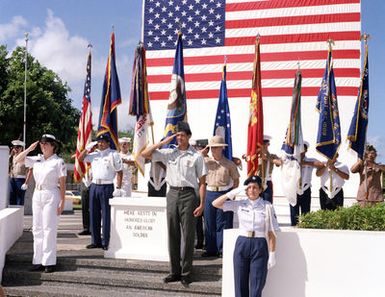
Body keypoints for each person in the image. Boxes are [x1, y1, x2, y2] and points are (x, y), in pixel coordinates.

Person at [141, 121, 207, 287]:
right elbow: (145, 154)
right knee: (173, 233)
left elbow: (202, 182)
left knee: (189, 235)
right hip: (172, 194)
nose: (179, 138)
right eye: (177, 135)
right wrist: (163, 142)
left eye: (182, 135)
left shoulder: (196, 156)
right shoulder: (169, 153)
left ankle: (186, 272)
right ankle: (174, 271)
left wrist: (202, 204)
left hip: (189, 195)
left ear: (188, 136)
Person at [212, 175, 279, 297]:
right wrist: (232, 193)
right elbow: (215, 203)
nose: (252, 190)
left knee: (257, 284)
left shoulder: (267, 206)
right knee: (240, 283)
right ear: (245, 190)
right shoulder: (239, 204)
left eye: (255, 187)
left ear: (260, 190)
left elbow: (271, 233)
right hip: (242, 243)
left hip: (259, 244)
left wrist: (272, 254)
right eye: (249, 187)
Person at [14, 134, 66, 273]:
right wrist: (30, 148)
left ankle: (49, 262)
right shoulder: (36, 159)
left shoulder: (58, 162)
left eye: (46, 144)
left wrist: (62, 201)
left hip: (51, 193)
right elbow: (18, 160)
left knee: (49, 228)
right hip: (38, 194)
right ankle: (37, 261)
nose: (43, 146)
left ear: (53, 146)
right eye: (42, 143)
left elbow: (62, 182)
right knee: (37, 228)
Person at [78, 133, 123, 250]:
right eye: (99, 141)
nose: (100, 143)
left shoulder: (114, 154)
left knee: (106, 216)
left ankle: (105, 241)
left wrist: (118, 187)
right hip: (94, 186)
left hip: (107, 186)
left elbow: (119, 171)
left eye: (103, 142)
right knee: (93, 214)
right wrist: (87, 148)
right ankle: (95, 241)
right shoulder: (93, 154)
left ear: (108, 143)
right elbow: (80, 158)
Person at [202, 135, 240, 258]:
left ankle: (223, 248)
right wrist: (203, 152)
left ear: (222, 148)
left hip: (223, 193)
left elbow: (236, 181)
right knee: (209, 221)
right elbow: (194, 158)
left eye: (216, 147)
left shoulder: (229, 164)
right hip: (209, 192)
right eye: (212, 147)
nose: (214, 150)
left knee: (223, 222)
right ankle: (210, 249)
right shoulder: (205, 162)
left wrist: (231, 195)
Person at [290, 142, 324, 226]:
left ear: (306, 150)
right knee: (294, 215)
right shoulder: (291, 160)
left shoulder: (310, 160)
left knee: (306, 214)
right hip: (294, 189)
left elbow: (321, 165)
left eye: (303, 149)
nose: (301, 151)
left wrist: (305, 163)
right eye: (299, 149)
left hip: (305, 189)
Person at [257, 135, 282, 204]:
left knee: (268, 204)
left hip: (267, 182)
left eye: (265, 144)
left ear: (268, 144)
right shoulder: (256, 156)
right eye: (262, 144)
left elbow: (279, 162)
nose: (264, 146)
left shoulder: (272, 156)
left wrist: (267, 159)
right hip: (257, 182)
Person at [9, 140, 28, 205]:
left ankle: (19, 214)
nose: (15, 149)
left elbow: (29, 171)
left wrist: (26, 183)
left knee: (19, 200)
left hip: (21, 180)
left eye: (17, 147)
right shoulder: (11, 157)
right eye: (14, 147)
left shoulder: (25, 158)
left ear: (21, 148)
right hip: (12, 179)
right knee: (12, 199)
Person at [78, 168, 92, 236]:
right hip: (84, 182)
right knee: (85, 207)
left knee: (95, 208)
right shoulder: (82, 162)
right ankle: (86, 228)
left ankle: (94, 228)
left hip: (94, 183)